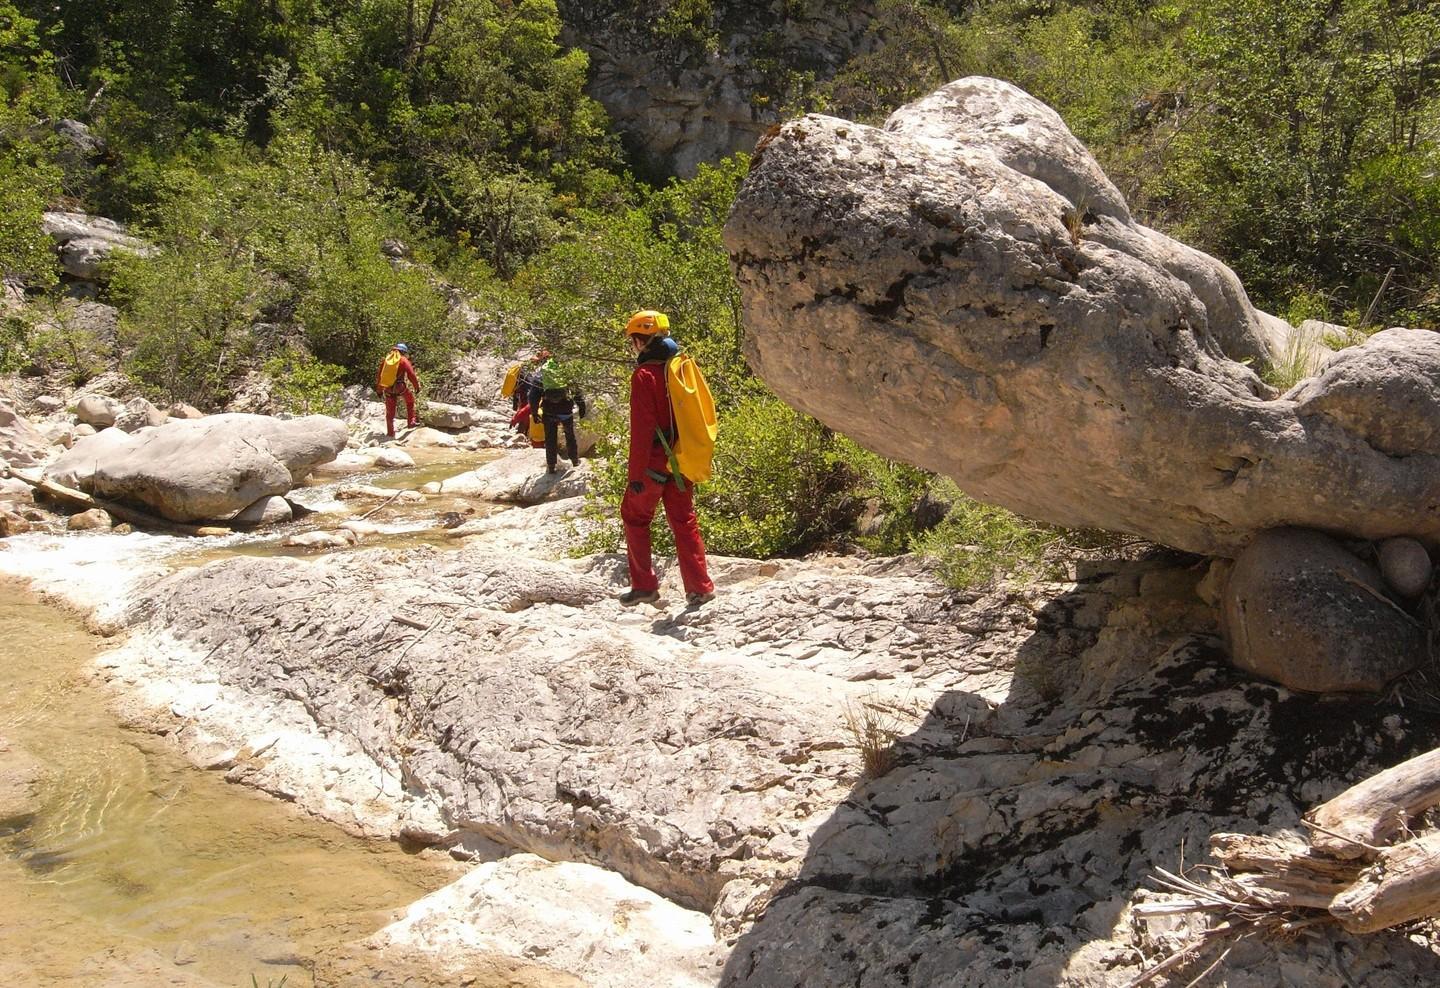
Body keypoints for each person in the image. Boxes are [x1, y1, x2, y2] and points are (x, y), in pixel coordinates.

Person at [619, 310, 714, 607]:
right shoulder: (680, 370)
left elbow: (642, 430)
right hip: (682, 459)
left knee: (634, 517)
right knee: (684, 521)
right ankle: (700, 587)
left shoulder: (644, 375)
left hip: (653, 464)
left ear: (640, 341)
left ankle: (644, 586)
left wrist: (635, 477)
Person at [526, 350, 587, 473]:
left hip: (549, 411)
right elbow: (576, 392)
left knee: (550, 438)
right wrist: (582, 408)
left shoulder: (542, 374)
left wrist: (534, 413)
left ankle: (551, 466)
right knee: (570, 435)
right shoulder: (564, 372)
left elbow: (533, 396)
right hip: (566, 410)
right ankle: (575, 460)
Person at [376, 342, 421, 438]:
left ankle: (390, 433)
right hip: (400, 387)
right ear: (403, 352)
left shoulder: (386, 360)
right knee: (410, 401)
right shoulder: (403, 360)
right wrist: (416, 387)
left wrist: (379, 390)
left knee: (390, 412)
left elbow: (380, 376)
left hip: (388, 388)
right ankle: (411, 422)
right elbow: (411, 374)